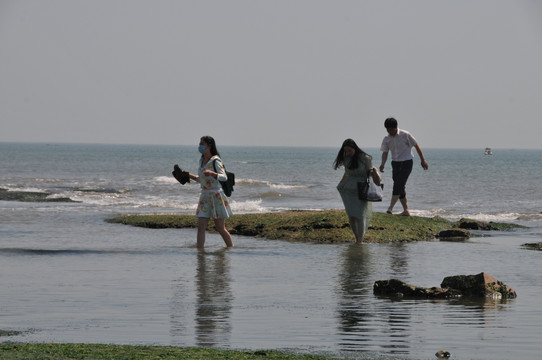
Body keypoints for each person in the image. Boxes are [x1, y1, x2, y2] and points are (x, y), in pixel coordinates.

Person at [187, 136, 233, 249]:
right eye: (200, 144)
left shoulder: (216, 160)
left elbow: (224, 177)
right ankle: (200, 252)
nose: (200, 146)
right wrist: (189, 176)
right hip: (205, 196)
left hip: (216, 196)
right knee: (201, 226)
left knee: (220, 228)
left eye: (202, 144)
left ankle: (230, 249)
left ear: (209, 146)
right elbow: (201, 179)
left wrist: (213, 173)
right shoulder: (201, 160)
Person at [334, 138, 382, 244]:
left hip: (361, 188)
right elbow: (347, 173)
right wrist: (340, 184)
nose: (348, 153)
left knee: (360, 215)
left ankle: (360, 240)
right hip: (348, 189)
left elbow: (370, 173)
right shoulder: (346, 158)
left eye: (349, 151)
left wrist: (374, 173)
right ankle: (357, 239)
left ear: (354, 148)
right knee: (351, 215)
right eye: (345, 151)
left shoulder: (365, 158)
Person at [379, 117, 429, 216]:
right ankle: (406, 210)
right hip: (395, 163)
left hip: (407, 162)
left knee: (398, 184)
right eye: (387, 129)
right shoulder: (386, 139)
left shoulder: (405, 134)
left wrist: (423, 160)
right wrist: (382, 164)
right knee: (400, 187)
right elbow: (385, 152)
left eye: (391, 129)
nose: (390, 131)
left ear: (396, 127)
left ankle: (390, 209)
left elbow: (416, 146)